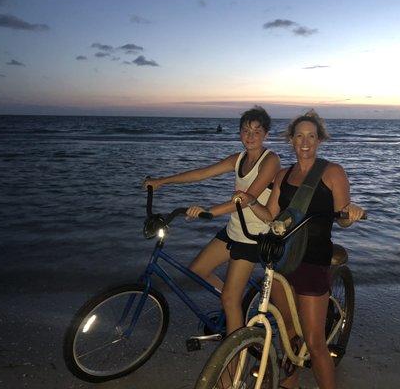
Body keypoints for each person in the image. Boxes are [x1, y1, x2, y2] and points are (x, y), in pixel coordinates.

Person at [233, 110, 365, 389]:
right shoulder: (283, 175)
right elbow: (271, 215)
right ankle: (288, 383)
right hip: (283, 259)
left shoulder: (332, 172)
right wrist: (250, 202)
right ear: (291, 140)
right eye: (299, 136)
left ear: (319, 141)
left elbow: (341, 219)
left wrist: (349, 213)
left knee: (315, 343)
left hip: (313, 260)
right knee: (287, 331)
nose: (305, 142)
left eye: (311, 136)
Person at [142, 106, 280, 307]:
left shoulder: (271, 160)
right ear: (240, 132)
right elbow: (201, 173)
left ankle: (235, 316)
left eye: (257, 132)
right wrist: (162, 181)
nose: (250, 136)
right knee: (198, 270)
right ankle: (234, 305)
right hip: (234, 230)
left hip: (253, 238)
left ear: (266, 134)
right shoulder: (238, 159)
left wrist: (209, 212)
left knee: (229, 300)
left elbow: (246, 198)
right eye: (246, 131)